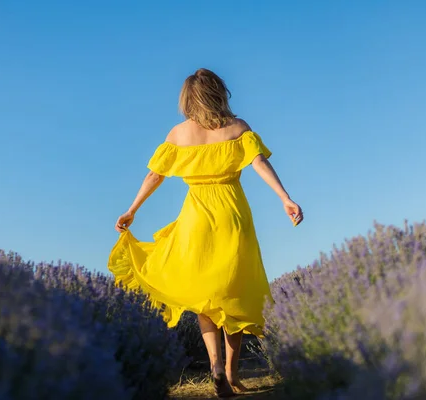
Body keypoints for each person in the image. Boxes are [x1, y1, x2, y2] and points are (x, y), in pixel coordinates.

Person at [107, 68, 303, 398]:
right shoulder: (237, 128)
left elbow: (154, 176)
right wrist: (285, 198)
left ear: (187, 98)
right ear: (220, 93)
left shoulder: (179, 133)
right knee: (233, 293)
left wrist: (132, 209)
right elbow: (259, 163)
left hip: (196, 216)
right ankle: (231, 372)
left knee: (204, 297)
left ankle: (215, 367)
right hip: (232, 214)